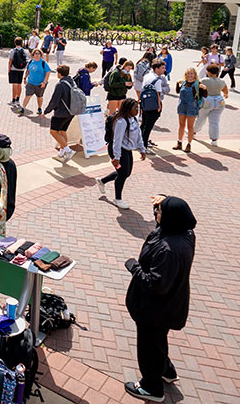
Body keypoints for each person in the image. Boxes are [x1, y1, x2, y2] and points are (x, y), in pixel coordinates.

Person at [123, 195, 197, 402]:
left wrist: (133, 266)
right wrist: (163, 201)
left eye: (160, 211)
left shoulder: (169, 250)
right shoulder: (185, 233)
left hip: (155, 309)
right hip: (169, 305)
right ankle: (167, 370)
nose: (156, 213)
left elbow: (155, 285)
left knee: (148, 346)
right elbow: (171, 212)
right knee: (157, 341)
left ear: (171, 217)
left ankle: (151, 387)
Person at [96, 98, 146, 210]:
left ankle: (102, 181)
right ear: (128, 109)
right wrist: (116, 157)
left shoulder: (133, 119)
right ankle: (117, 199)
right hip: (118, 150)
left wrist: (142, 149)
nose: (137, 110)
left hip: (127, 150)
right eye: (135, 108)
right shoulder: (121, 122)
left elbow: (138, 135)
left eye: (137, 107)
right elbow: (117, 141)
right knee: (123, 174)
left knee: (125, 173)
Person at [45, 65, 76, 162]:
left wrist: (46, 111)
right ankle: (62, 153)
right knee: (62, 131)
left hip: (61, 113)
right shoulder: (72, 82)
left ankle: (68, 150)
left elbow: (54, 101)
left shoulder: (60, 85)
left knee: (53, 131)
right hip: (71, 112)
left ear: (59, 73)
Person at [194, 64, 228, 146]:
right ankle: (214, 139)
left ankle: (193, 131)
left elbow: (197, 89)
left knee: (201, 118)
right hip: (219, 101)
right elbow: (225, 92)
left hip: (207, 100)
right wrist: (226, 95)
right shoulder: (222, 81)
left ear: (208, 72)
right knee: (214, 121)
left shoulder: (204, 80)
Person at [139, 60, 170, 148]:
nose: (164, 70)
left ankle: (140, 142)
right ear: (156, 69)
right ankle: (144, 146)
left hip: (145, 102)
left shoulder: (147, 75)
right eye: (162, 68)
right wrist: (159, 106)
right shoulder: (157, 80)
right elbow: (158, 93)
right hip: (153, 104)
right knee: (148, 126)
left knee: (144, 124)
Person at [173, 68, 201, 153]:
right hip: (182, 105)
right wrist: (177, 84)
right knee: (181, 125)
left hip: (191, 107)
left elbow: (204, 95)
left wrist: (204, 88)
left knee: (190, 127)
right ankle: (179, 142)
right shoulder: (183, 82)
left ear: (194, 75)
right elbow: (178, 91)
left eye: (191, 74)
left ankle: (189, 144)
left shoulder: (197, 84)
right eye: (188, 74)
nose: (190, 75)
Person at [17, 49, 51, 116]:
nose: (37, 55)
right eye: (35, 53)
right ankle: (22, 109)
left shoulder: (43, 63)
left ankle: (39, 108)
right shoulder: (30, 62)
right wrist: (25, 78)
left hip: (40, 84)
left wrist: (44, 82)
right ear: (33, 54)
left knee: (39, 97)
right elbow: (28, 70)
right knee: (27, 96)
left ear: (41, 55)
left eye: (38, 53)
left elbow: (48, 72)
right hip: (30, 83)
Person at [8, 37, 29, 105]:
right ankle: (18, 99)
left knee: (14, 85)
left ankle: (13, 100)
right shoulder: (25, 51)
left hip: (13, 69)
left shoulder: (13, 51)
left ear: (15, 43)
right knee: (19, 84)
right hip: (21, 70)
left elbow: (10, 60)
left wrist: (9, 69)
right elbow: (27, 61)